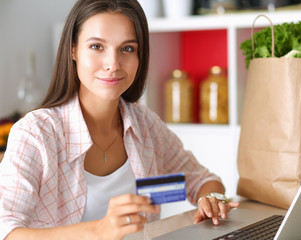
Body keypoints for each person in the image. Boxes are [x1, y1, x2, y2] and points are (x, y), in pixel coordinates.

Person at [0, 0, 239, 239]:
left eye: (127, 49)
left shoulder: (144, 125)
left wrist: (213, 200)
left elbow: (202, 181)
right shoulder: (36, 133)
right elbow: (7, 231)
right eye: (96, 46)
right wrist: (99, 230)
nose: (113, 65)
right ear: (72, 49)